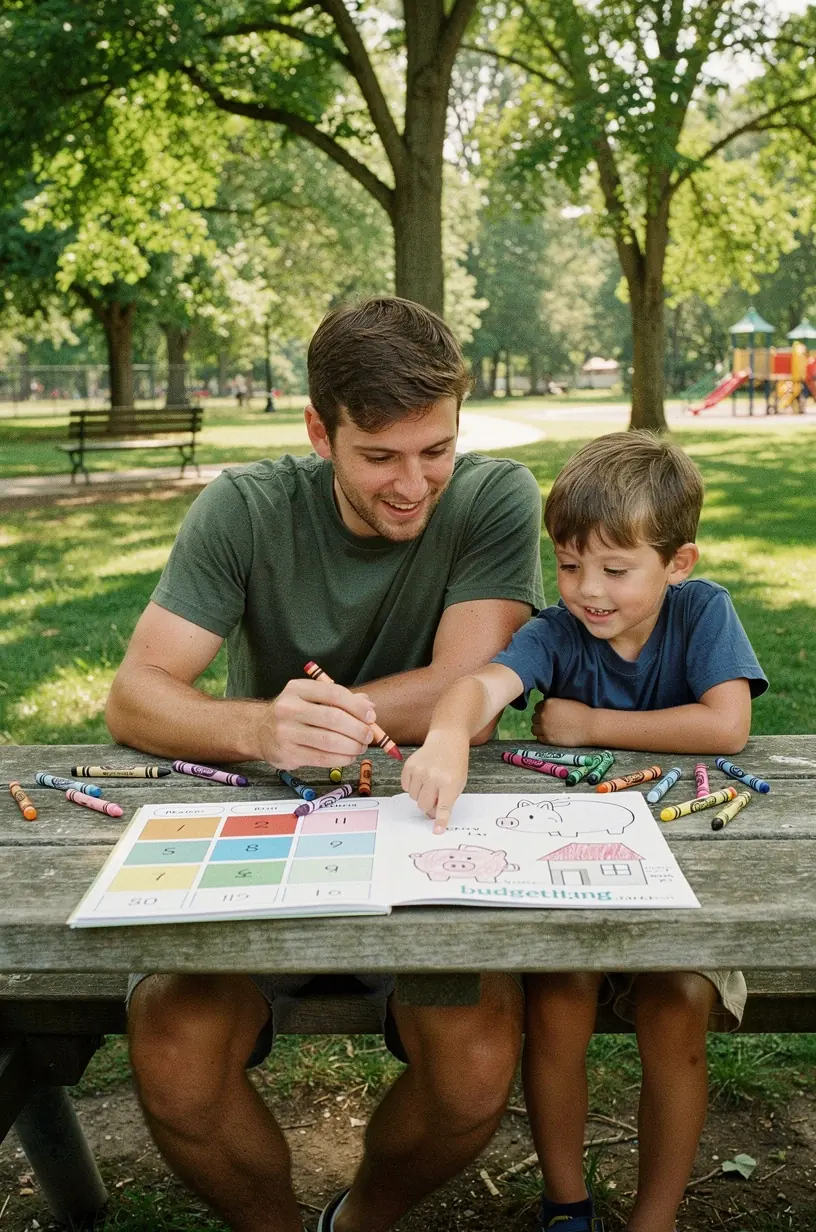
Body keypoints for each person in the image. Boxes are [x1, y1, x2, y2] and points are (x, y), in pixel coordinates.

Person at [105, 295, 545, 1232]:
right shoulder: (243, 507)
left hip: (434, 836)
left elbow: (473, 678)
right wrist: (262, 730)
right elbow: (136, 693)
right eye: (380, 456)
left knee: (473, 1067)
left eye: (436, 451)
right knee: (175, 1055)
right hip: (266, 845)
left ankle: (359, 1223)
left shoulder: (495, 496)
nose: (414, 485)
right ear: (318, 431)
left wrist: (335, 715)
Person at [401, 431, 768, 1232]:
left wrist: (588, 720)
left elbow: (728, 724)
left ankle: (655, 1218)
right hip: (572, 879)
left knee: (677, 1004)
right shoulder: (557, 632)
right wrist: (450, 733)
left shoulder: (703, 612)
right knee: (559, 998)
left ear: (678, 563)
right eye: (569, 566)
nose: (587, 591)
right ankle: (566, 1202)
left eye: (613, 569)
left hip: (689, 887)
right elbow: (481, 684)